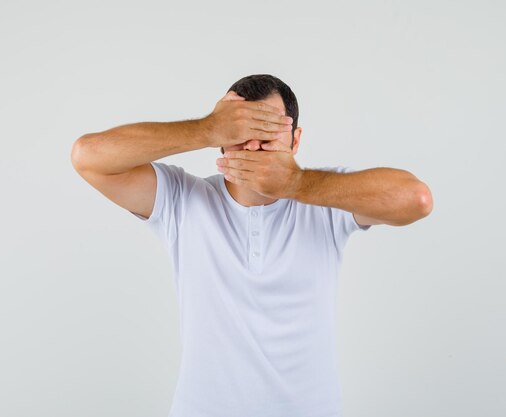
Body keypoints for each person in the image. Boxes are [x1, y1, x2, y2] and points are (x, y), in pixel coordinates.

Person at [70, 74, 433, 417]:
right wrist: (205, 128)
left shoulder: (324, 197)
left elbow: (416, 200)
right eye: (242, 133)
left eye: (270, 133)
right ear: (223, 142)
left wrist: (295, 184)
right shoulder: (182, 200)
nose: (255, 146)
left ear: (296, 139)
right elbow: (88, 156)